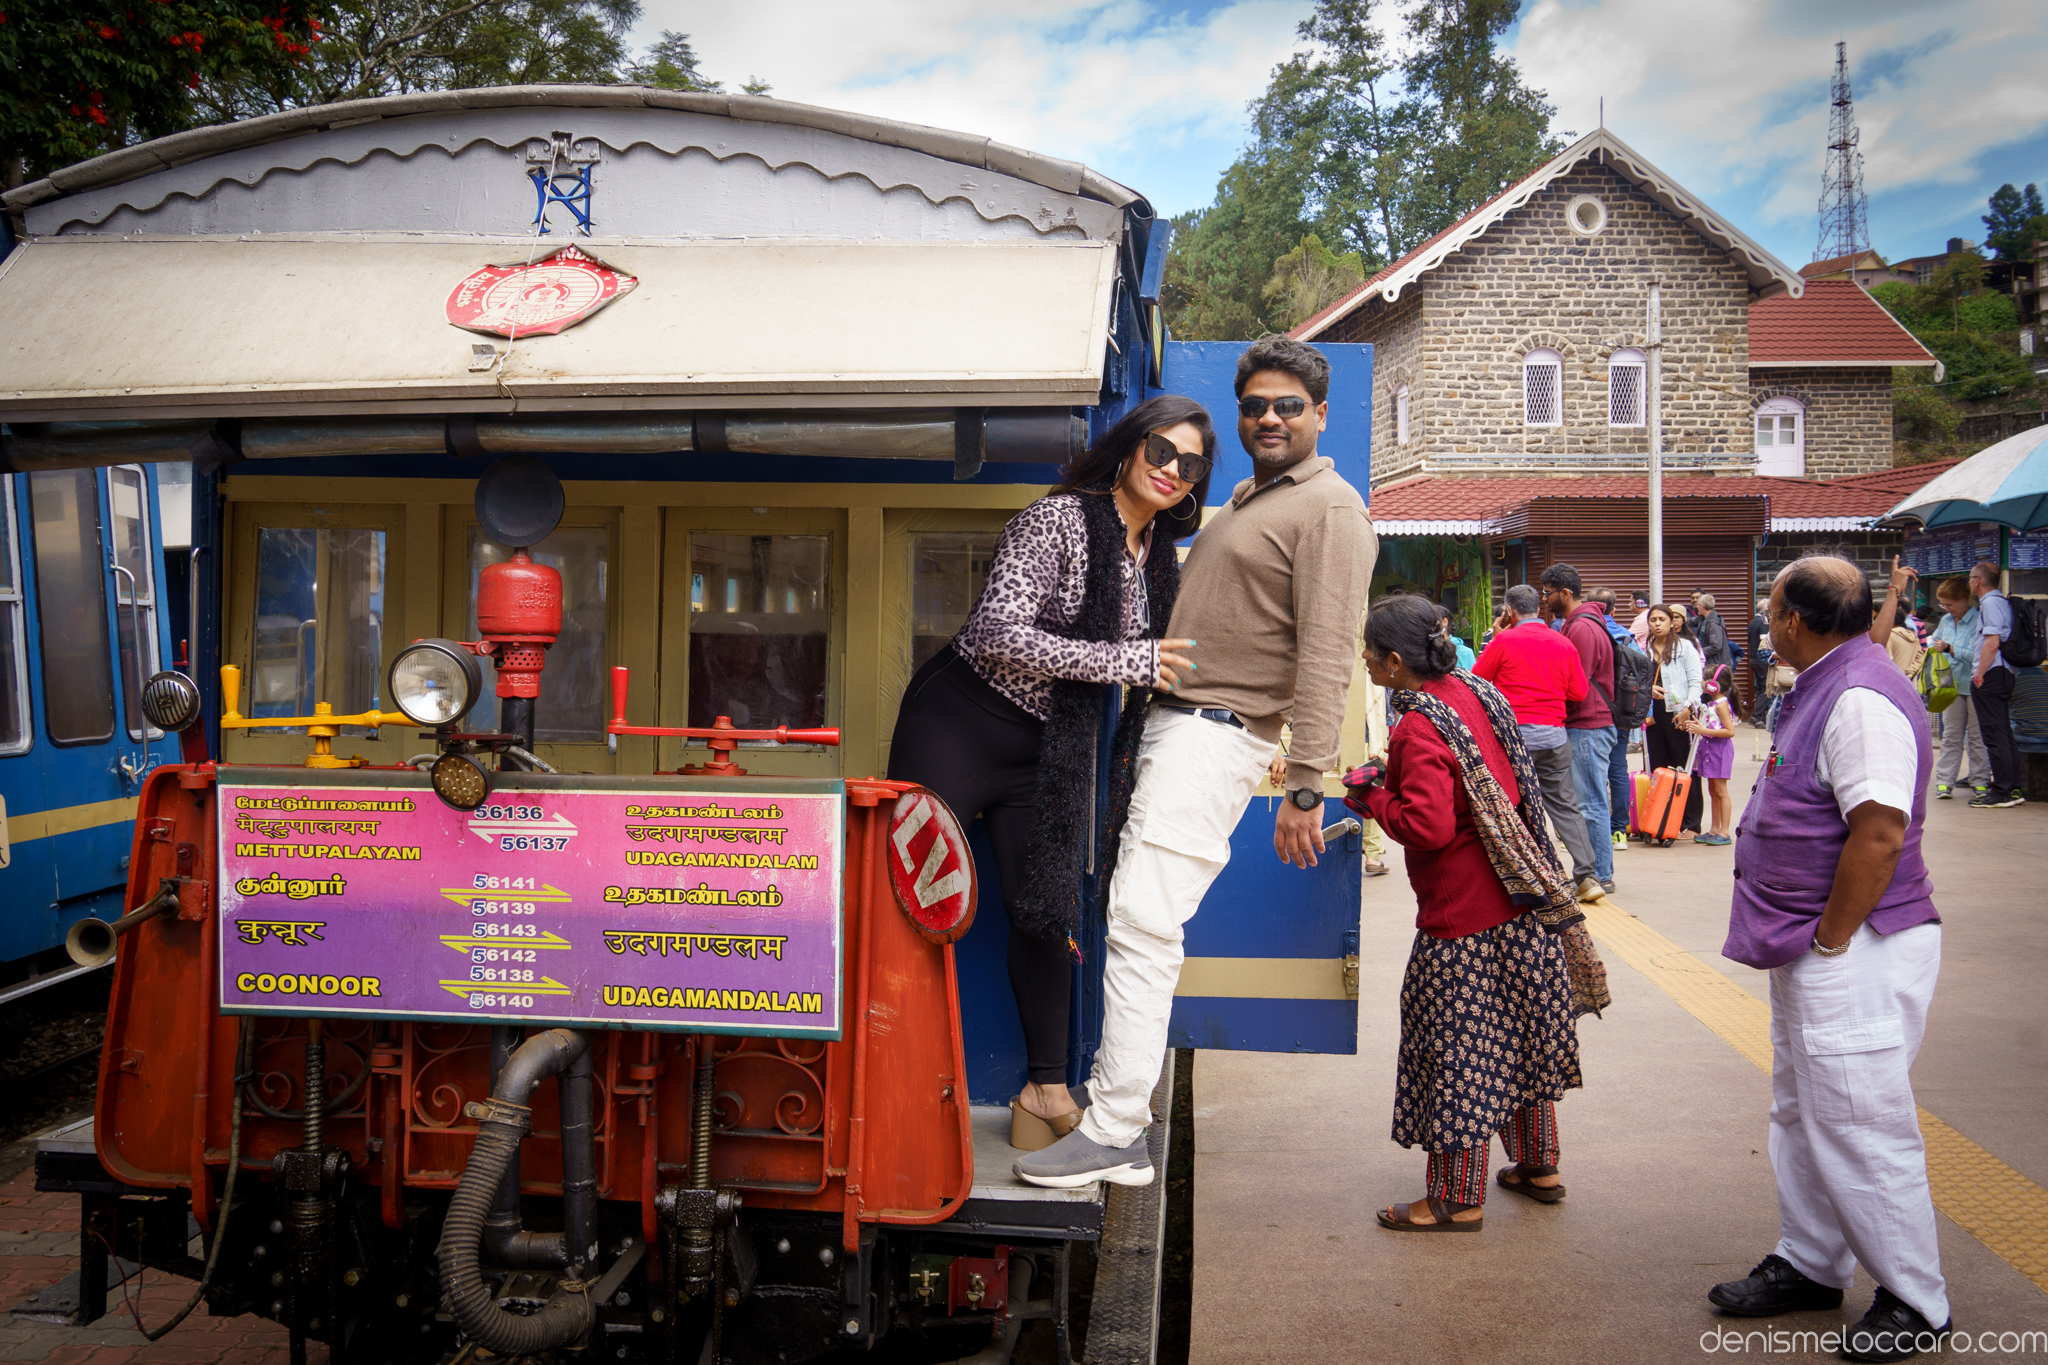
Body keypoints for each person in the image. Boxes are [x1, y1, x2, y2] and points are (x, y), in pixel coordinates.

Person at [1014, 335, 1375, 1189]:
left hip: (1216, 733)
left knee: (1144, 922)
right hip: (1180, 728)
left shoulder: (1330, 509)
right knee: (1134, 916)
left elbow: (1329, 651)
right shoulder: (1256, 498)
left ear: (1321, 415)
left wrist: (1307, 782)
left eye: (1289, 405)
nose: (1269, 418)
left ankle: (1114, 1129)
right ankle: (1112, 1114)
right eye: (1255, 406)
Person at [888, 393, 1214, 1150]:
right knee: (910, 897)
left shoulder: (1156, 554)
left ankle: (1044, 1089)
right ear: (1128, 449)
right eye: (1161, 450)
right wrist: (1125, 661)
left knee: (1045, 909)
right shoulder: (1058, 519)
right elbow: (996, 632)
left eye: (1191, 464)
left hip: (1049, 747)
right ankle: (894, 1085)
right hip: (960, 722)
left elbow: (1164, 657)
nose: (1172, 469)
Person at [1711, 555, 1951, 1364]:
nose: (1763, 620)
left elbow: (1879, 833)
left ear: (1793, 621)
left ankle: (1914, 1297)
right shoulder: (1827, 680)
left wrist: (1831, 940)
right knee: (1803, 1107)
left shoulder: (1858, 699)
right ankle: (1812, 1260)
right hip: (1820, 941)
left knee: (1860, 1119)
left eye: (1770, 606)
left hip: (1855, 944)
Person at [1342, 595, 1582, 1231]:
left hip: (1463, 918)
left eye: (1370, 650)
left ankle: (1455, 1197)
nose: (1364, 658)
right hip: (1519, 895)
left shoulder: (1418, 724)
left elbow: (1428, 826)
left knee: (1461, 1051)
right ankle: (1539, 1166)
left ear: (1395, 662)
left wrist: (1370, 797)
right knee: (1518, 1036)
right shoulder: (1475, 691)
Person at [1475, 584, 1601, 900]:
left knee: (1512, 807)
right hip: (1554, 738)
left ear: (1509, 611)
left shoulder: (1504, 641)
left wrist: (1495, 638)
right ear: (1538, 608)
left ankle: (1527, 878)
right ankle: (1588, 876)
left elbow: (1478, 681)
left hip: (1513, 741)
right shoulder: (1563, 642)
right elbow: (1579, 692)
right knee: (1565, 806)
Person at [1538, 564, 1616, 897]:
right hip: (1589, 723)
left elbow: (1576, 683)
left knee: (1590, 803)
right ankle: (1597, 873)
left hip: (1588, 724)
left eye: (1548, 593)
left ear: (1565, 593)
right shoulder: (1582, 622)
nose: (1545, 599)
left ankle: (1599, 875)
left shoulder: (1582, 627)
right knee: (1589, 801)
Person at [1963, 560, 2024, 809]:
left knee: (1993, 733)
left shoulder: (1990, 603)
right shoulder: (2000, 602)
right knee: (2003, 733)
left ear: (1977, 581)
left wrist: (1979, 674)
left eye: (1970, 578)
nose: (1969, 583)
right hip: (2003, 672)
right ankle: (2013, 787)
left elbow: (1992, 642)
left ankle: (2001, 791)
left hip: (1992, 673)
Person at [1640, 603, 1706, 835]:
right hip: (1652, 716)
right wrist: (1648, 689)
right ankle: (1663, 819)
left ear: (1672, 622)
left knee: (1685, 767)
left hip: (1680, 714)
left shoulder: (1685, 647)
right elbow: (1637, 680)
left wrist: (1688, 707)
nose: (1657, 624)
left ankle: (1690, 822)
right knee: (1658, 767)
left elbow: (1696, 682)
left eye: (1662, 619)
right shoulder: (1643, 649)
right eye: (1653, 620)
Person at [1925, 575, 1989, 799]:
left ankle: (1980, 780)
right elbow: (1935, 641)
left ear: (1963, 600)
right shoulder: (1945, 620)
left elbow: (1979, 655)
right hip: (1949, 685)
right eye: (1943, 604)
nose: (1946, 609)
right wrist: (1934, 646)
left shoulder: (1979, 620)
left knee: (1977, 737)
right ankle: (1944, 782)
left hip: (1974, 685)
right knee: (1951, 736)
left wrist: (1951, 649)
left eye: (1949, 604)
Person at [1588, 589, 1638, 855]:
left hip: (1592, 712)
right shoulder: (1627, 637)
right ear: (1614, 610)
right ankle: (1619, 830)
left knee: (1591, 771)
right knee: (1617, 770)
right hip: (1620, 713)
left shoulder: (1585, 631)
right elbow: (1642, 676)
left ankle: (1593, 831)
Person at [1680, 665, 1736, 844]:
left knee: (1721, 791)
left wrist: (1703, 730)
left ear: (1714, 685)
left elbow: (1730, 731)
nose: (1702, 682)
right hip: (1710, 750)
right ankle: (1714, 829)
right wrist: (1697, 726)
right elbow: (1712, 726)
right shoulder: (1712, 705)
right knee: (1713, 791)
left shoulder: (1721, 705)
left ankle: (1725, 832)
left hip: (1719, 751)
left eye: (1705, 679)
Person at [1694, 591, 1736, 681]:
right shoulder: (1704, 619)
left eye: (1697, 605)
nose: (1696, 607)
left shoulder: (1713, 623)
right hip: (1715, 666)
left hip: (1717, 668)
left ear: (1701, 606)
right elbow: (1690, 621)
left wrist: (1699, 652)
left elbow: (1716, 646)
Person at [1748, 596, 1773, 726]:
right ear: (1766, 609)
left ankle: (1759, 715)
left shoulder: (1753, 622)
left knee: (1759, 688)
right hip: (1762, 660)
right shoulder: (1764, 622)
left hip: (1753, 659)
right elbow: (1764, 640)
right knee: (1765, 688)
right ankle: (1757, 716)